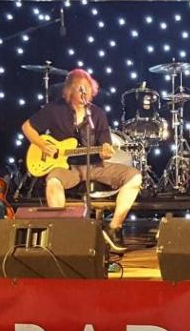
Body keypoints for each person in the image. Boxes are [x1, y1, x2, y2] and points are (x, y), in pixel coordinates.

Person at [22, 69, 142, 253]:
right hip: (68, 168)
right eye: (79, 89)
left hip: (94, 165)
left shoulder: (97, 114)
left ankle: (114, 228)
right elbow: (27, 127)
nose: (84, 93)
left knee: (135, 177)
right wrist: (42, 145)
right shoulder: (54, 109)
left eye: (87, 88)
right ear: (70, 90)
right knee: (53, 182)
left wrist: (106, 152)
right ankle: (62, 233)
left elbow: (105, 146)